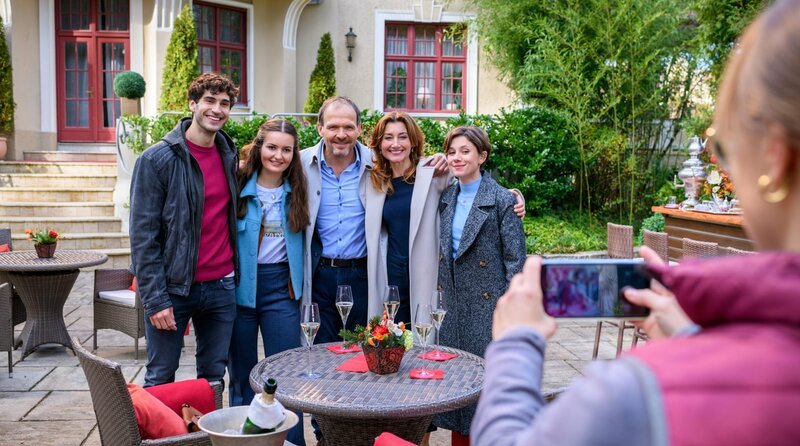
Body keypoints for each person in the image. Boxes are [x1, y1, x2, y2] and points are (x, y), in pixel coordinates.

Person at [471, 1, 800, 443]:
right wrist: (688, 339)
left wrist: (514, 346)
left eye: (724, 149)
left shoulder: (633, 393)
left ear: (774, 158)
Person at [129, 73, 239, 387]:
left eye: (224, 103)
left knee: (213, 378)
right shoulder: (156, 160)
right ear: (192, 103)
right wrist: (155, 300)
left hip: (221, 288)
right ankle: (159, 438)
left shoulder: (229, 155)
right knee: (161, 375)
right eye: (209, 101)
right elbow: (143, 237)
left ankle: (203, 437)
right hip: (174, 289)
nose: (217, 109)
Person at [365, 112, 527, 325]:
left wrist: (513, 195)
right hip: (390, 273)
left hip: (428, 275)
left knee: (424, 340)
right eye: (388, 137)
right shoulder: (375, 180)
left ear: (413, 141)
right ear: (379, 143)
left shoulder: (434, 172)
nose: (396, 144)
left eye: (403, 136)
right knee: (392, 339)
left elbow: (473, 184)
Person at [435, 125, 528, 444]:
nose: (457, 158)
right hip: (453, 309)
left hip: (490, 309)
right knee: (458, 394)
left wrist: (507, 310)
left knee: (486, 395)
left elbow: (516, 260)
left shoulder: (503, 199)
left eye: (465, 151)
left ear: (482, 156)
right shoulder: (447, 196)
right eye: (452, 152)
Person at [227, 119, 307, 445]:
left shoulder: (299, 188)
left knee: (286, 374)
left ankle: (291, 442)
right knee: (242, 374)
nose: (278, 155)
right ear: (259, 146)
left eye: (286, 149)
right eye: (272, 147)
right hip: (240, 287)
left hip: (281, 289)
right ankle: (242, 441)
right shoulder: (237, 183)